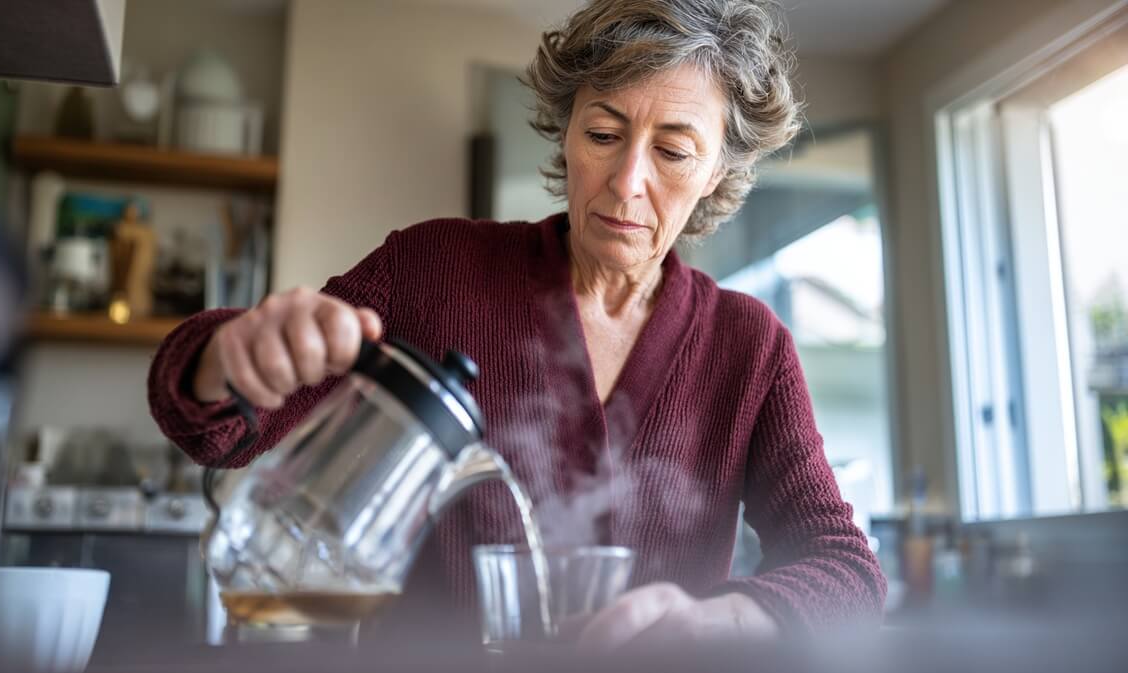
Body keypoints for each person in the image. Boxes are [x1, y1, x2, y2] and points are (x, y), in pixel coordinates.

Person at [148, 0, 886, 651]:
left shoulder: (749, 345)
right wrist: (229, 354)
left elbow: (846, 570)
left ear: (717, 172)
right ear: (566, 132)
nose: (627, 181)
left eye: (672, 151)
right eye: (603, 134)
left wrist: (717, 623)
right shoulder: (432, 269)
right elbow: (219, 431)